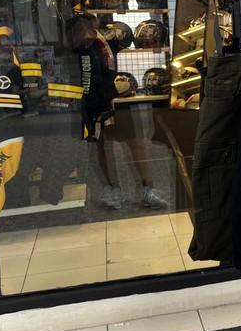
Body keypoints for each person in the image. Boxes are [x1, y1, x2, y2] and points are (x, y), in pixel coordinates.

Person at [68, 13, 167, 209]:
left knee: (135, 142)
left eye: (89, 23)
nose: (87, 27)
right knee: (101, 146)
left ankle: (148, 189)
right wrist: (82, 31)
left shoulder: (109, 37)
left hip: (117, 96)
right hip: (91, 100)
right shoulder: (77, 41)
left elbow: (129, 44)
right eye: (82, 25)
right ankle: (113, 189)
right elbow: (74, 45)